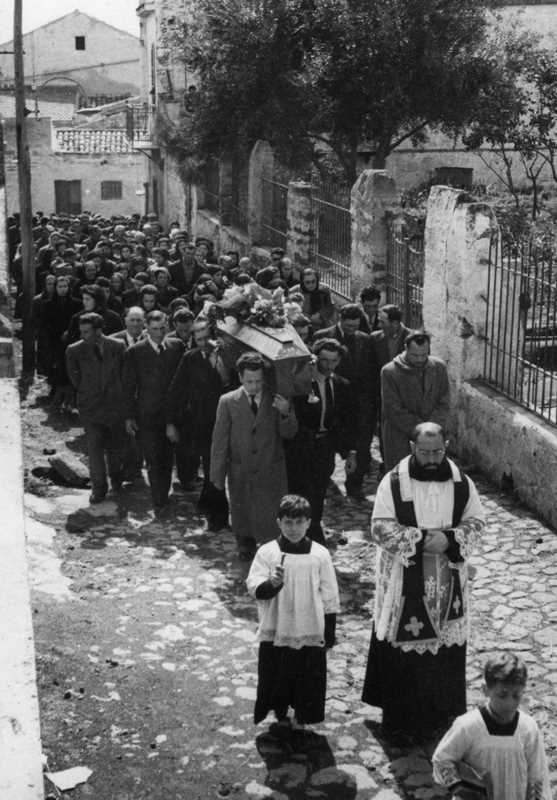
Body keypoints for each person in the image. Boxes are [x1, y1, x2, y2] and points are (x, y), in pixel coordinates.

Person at [361, 422, 484, 743]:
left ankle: (439, 714)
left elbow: (476, 521)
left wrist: (451, 540)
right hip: (405, 577)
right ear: (412, 447)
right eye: (425, 452)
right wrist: (418, 540)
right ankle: (400, 720)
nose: (432, 459)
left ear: (447, 445)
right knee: (403, 643)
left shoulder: (461, 484)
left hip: (447, 578)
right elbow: (379, 526)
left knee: (444, 643)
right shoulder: (393, 482)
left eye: (438, 451)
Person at [246, 494, 340, 732]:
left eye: (300, 522)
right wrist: (272, 584)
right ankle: (279, 711)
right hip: (278, 625)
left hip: (309, 627)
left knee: (306, 674)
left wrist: (329, 632)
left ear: (309, 522)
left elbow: (330, 594)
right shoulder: (268, 553)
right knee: (277, 672)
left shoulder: (319, 554)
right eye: (288, 522)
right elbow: (254, 586)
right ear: (278, 522)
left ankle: (302, 715)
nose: (294, 528)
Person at [210, 352, 298, 560]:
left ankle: (272, 546)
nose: (254, 386)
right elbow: (220, 441)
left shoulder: (275, 398)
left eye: (258, 381)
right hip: (242, 469)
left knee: (271, 511)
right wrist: (217, 476)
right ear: (240, 377)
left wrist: (286, 412)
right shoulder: (227, 401)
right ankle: (245, 543)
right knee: (243, 510)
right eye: (249, 381)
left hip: (270, 466)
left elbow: (289, 433)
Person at [432, 653, 551, 800]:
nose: (509, 704)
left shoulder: (528, 728)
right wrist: (461, 788)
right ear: (485, 689)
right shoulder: (468, 726)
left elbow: (537, 775)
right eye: (502, 695)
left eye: (516, 696)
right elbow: (442, 760)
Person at [166, 318, 232, 530]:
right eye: (198, 339)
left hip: (225, 420)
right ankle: (215, 513)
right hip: (201, 423)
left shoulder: (226, 355)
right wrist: (171, 422)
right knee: (211, 464)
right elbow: (176, 391)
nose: (203, 343)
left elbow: (231, 384)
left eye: (206, 338)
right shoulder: (190, 358)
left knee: (218, 467)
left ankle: (212, 509)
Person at [289, 339, 357, 542]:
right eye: (325, 360)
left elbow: (348, 420)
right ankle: (298, 534)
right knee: (301, 491)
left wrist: (350, 453)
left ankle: (314, 530)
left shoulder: (341, 384)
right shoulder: (302, 383)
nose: (329, 366)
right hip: (301, 447)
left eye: (334, 361)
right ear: (315, 357)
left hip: (325, 446)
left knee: (319, 492)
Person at [122, 310, 185, 516]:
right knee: (153, 458)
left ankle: (163, 495)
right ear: (146, 328)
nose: (159, 333)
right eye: (155, 329)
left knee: (167, 458)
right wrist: (129, 417)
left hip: (171, 415)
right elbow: (128, 387)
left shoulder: (176, 347)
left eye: (162, 328)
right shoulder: (135, 352)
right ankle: (159, 501)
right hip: (146, 416)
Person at [314, 303, 376, 500]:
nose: (352, 330)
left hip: (357, 405)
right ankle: (325, 483)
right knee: (328, 448)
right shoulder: (322, 336)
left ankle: (354, 486)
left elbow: (370, 371)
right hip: (331, 400)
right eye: (348, 326)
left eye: (355, 326)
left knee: (361, 448)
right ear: (340, 320)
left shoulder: (365, 340)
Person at [65, 312, 127, 503]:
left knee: (116, 448)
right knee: (94, 449)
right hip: (90, 406)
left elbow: (124, 374)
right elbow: (75, 379)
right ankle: (99, 488)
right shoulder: (74, 350)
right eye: (81, 332)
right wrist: (89, 392)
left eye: (87, 332)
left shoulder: (117, 346)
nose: (83, 336)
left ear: (99, 330)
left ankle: (116, 480)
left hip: (115, 406)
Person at [381, 331, 450, 471]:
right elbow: (393, 409)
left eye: (423, 355)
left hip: (433, 438)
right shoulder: (389, 371)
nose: (419, 359)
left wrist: (433, 430)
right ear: (406, 349)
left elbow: (444, 402)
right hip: (401, 437)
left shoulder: (439, 367)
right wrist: (421, 431)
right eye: (414, 355)